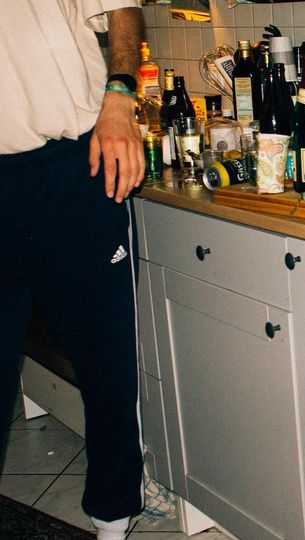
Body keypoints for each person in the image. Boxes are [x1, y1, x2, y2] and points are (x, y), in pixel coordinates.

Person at [0, 2, 146, 539]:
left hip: (72, 168)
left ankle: (112, 518)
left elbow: (123, 10)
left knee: (106, 361)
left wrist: (121, 96)